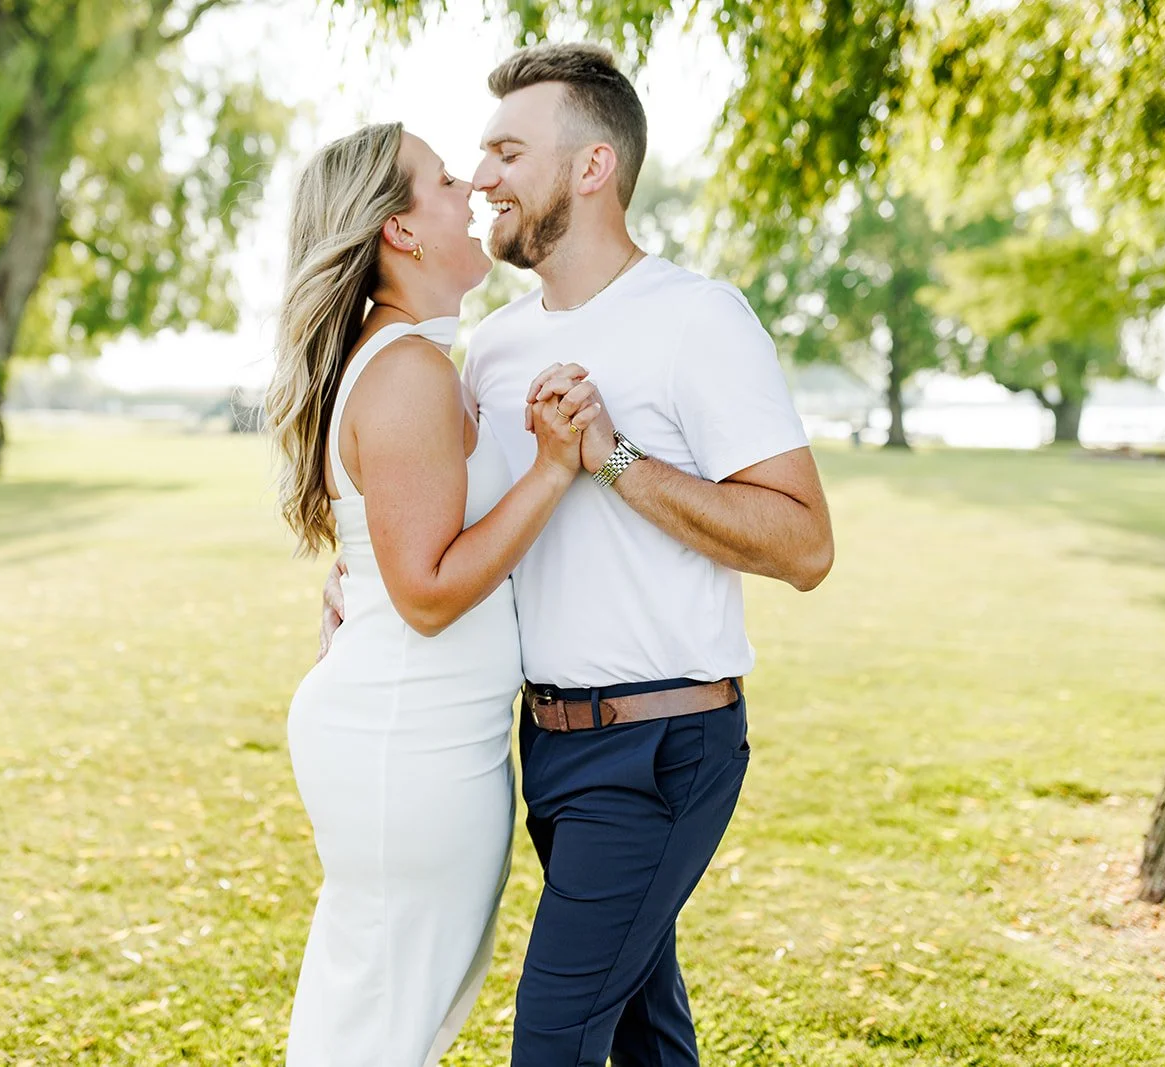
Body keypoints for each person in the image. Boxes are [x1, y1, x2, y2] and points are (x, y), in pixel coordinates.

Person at [320, 44, 836, 1066]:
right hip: (546, 743)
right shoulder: (493, 349)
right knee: (644, 1028)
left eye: (508, 151)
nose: (484, 178)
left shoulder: (698, 318)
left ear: (592, 167)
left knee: (553, 1036)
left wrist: (615, 457)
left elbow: (806, 543)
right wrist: (363, 585)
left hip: (660, 742)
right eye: (477, 156)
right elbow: (452, 514)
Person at [264, 122, 605, 1067]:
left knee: (381, 1016)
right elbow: (424, 591)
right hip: (405, 745)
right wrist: (551, 468)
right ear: (401, 233)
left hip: (424, 737)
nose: (473, 189)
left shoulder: (418, 359)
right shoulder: (408, 371)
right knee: (376, 1027)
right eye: (447, 179)